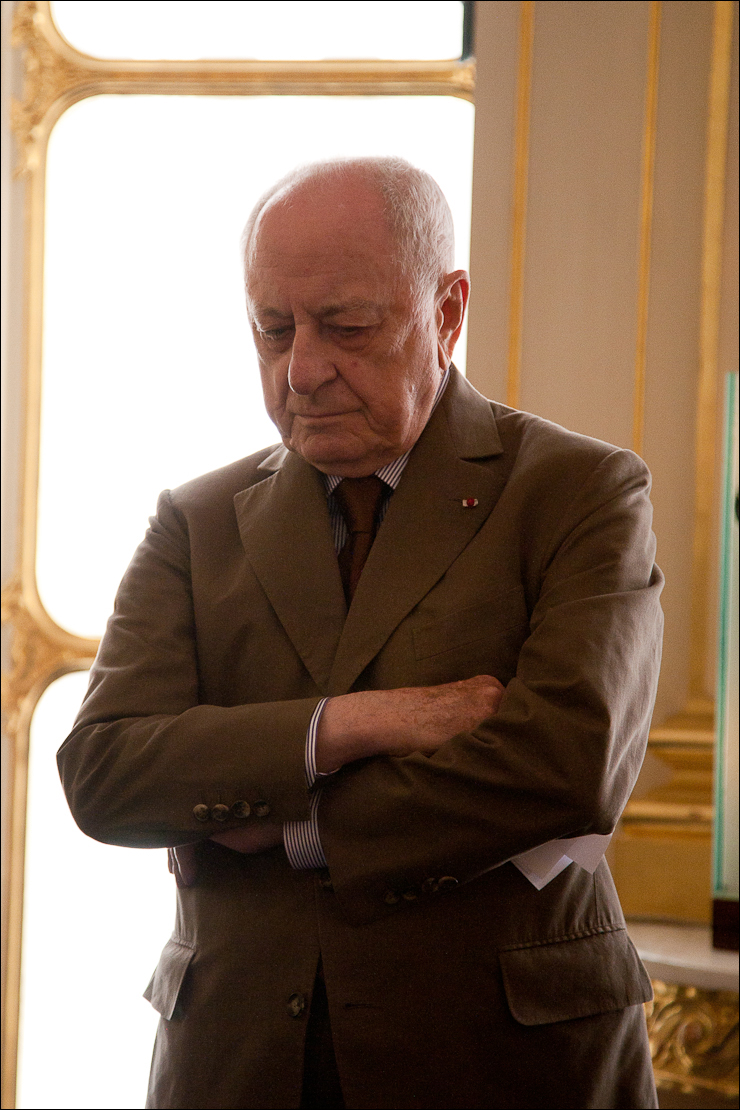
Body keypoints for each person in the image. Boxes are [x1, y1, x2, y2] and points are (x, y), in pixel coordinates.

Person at [58, 156, 663, 1110]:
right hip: (238, 1058)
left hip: (501, 1059)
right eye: (272, 329)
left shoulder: (579, 491)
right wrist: (349, 725)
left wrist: (294, 827)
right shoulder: (196, 519)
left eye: (346, 328)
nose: (301, 370)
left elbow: (565, 765)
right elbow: (104, 773)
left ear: (448, 311)